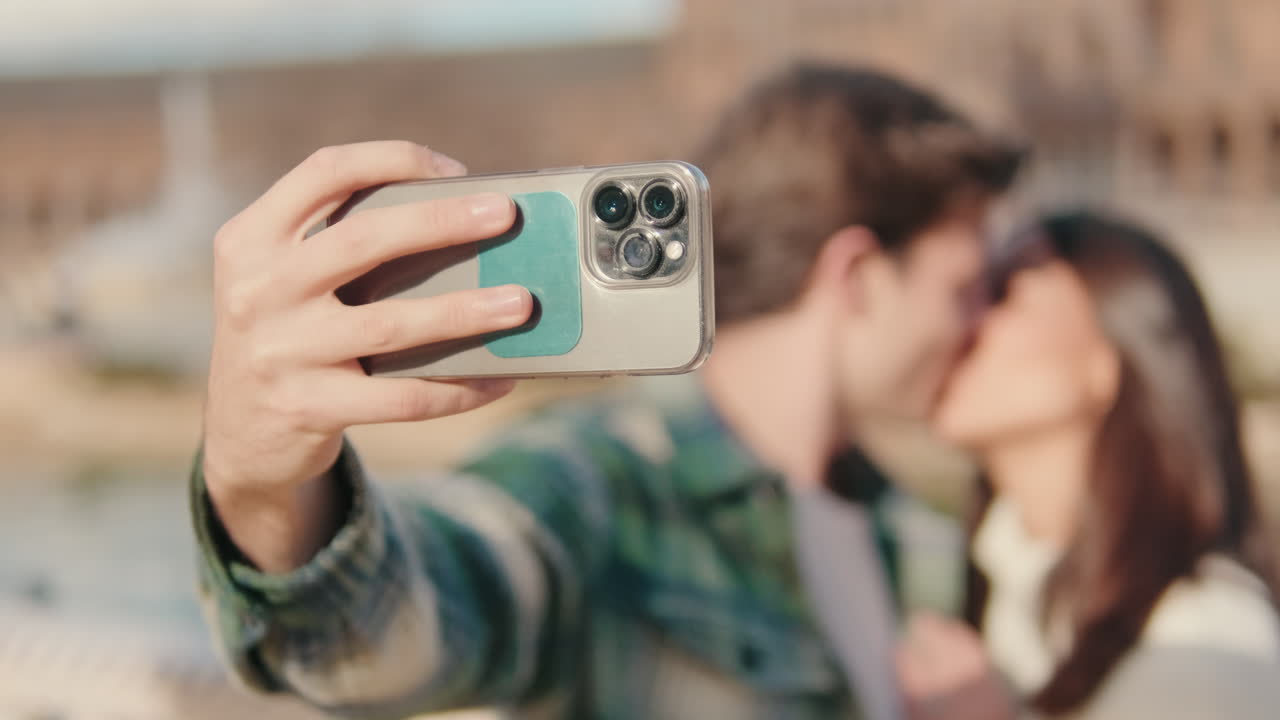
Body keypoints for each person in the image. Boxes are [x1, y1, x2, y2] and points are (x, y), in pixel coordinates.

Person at [192, 63, 1022, 719]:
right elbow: (381, 635)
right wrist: (259, 481)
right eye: (965, 287)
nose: (987, 320)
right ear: (859, 279)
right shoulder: (598, 483)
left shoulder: (915, 538)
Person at [897, 212, 1280, 719]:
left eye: (1003, 293)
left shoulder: (1208, 642)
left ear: (1109, 357)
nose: (964, 319)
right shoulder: (1005, 591)